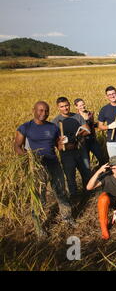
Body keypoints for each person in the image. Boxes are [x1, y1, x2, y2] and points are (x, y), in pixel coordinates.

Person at [14, 101, 75, 235]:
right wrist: (29, 159)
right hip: (37, 167)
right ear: (34, 110)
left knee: (61, 192)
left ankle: (67, 217)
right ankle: (39, 227)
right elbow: (18, 146)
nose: (44, 113)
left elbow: (58, 146)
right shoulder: (25, 127)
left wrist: (64, 143)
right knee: (39, 197)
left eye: (46, 111)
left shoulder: (53, 127)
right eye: (40, 110)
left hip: (53, 164)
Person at [51, 97, 91, 199]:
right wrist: (60, 143)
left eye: (66, 105)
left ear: (69, 105)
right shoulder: (55, 122)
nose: (65, 108)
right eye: (62, 106)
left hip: (80, 150)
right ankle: (74, 197)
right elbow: (55, 141)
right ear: (58, 107)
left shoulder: (77, 117)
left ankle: (88, 194)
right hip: (67, 154)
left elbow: (87, 129)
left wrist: (77, 136)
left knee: (86, 172)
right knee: (70, 176)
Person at [74, 98, 107, 165]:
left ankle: (102, 172)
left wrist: (99, 124)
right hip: (83, 142)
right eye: (80, 105)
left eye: (83, 104)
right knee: (86, 162)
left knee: (101, 157)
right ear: (76, 107)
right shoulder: (75, 117)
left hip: (92, 140)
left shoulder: (90, 114)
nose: (83, 106)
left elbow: (92, 125)